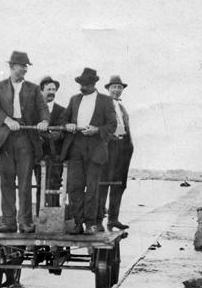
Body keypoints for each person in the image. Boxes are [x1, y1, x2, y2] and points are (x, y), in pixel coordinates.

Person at [0, 51, 49, 233]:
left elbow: (43, 108)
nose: (24, 69)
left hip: (26, 138)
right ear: (12, 66)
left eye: (26, 66)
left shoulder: (33, 88)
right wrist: (7, 120)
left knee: (24, 181)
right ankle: (8, 222)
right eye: (22, 66)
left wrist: (45, 121)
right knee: (6, 181)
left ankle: (25, 222)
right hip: (4, 140)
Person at [60, 67, 117, 235]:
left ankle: (91, 223)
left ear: (93, 84)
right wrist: (68, 125)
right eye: (80, 84)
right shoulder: (74, 100)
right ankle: (78, 223)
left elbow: (112, 125)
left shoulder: (105, 101)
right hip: (75, 148)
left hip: (95, 150)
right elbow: (64, 119)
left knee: (92, 188)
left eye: (85, 84)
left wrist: (97, 130)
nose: (82, 87)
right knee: (74, 187)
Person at [97, 74, 134, 230]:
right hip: (109, 147)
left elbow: (125, 127)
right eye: (114, 87)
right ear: (108, 89)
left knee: (119, 184)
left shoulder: (121, 107)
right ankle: (98, 221)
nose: (117, 90)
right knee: (104, 183)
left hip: (123, 147)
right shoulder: (102, 104)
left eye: (119, 87)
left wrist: (129, 144)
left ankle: (113, 219)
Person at [34, 76, 65, 212]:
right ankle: (40, 217)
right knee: (41, 184)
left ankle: (55, 214)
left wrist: (54, 133)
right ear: (41, 91)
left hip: (56, 155)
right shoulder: (34, 110)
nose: (52, 92)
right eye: (49, 89)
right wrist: (47, 134)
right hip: (39, 154)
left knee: (55, 184)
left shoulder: (62, 110)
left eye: (54, 89)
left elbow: (62, 131)